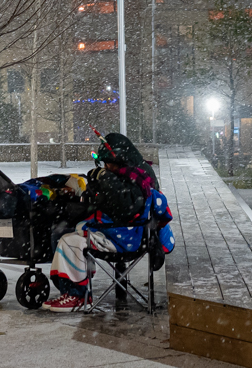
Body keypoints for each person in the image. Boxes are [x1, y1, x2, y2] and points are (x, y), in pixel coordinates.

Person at [46, 133, 171, 314]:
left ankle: (77, 295)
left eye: (108, 163)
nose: (106, 167)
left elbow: (123, 209)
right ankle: (72, 291)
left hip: (123, 238)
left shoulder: (128, 180)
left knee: (66, 239)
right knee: (66, 233)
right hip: (138, 236)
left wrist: (102, 181)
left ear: (120, 159)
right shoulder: (140, 174)